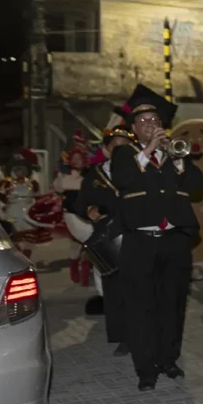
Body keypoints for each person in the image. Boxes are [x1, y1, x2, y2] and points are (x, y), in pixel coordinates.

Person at [110, 84, 202, 392]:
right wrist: (149, 150)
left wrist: (177, 160)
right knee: (140, 307)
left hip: (174, 240)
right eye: (144, 121)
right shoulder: (124, 154)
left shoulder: (176, 153)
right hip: (139, 242)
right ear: (134, 129)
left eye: (155, 120)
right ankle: (145, 368)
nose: (151, 125)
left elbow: (196, 185)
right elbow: (124, 179)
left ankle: (168, 359)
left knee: (173, 305)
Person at [77, 120, 134, 356]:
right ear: (106, 149)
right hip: (107, 237)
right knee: (113, 288)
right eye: (116, 147)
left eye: (126, 147)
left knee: (137, 286)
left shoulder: (139, 170)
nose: (120, 152)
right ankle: (122, 336)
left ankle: (141, 333)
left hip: (134, 235)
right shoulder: (95, 174)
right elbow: (81, 202)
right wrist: (89, 210)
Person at [54, 132, 91, 286]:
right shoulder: (64, 173)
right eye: (74, 158)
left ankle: (85, 272)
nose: (76, 161)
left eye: (79, 158)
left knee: (90, 244)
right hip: (72, 213)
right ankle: (75, 269)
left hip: (89, 212)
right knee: (78, 243)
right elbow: (60, 187)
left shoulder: (91, 172)